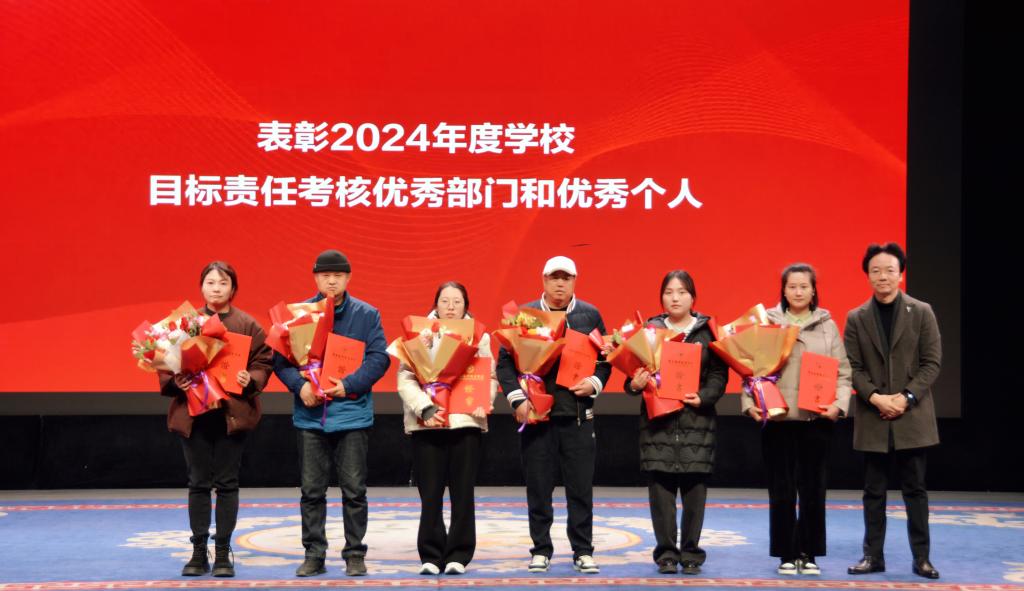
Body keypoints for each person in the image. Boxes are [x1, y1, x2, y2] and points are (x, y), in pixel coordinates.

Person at [272, 249, 391, 577]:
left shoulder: (367, 314)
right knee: (311, 491)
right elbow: (280, 360)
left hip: (351, 414)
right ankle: (314, 554)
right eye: (325, 275)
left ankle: (355, 553)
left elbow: (379, 358)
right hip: (311, 416)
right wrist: (300, 387)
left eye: (338, 275)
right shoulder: (298, 315)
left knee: (354, 491)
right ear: (315, 278)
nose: (332, 281)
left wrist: (348, 384)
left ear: (348, 278)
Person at [496, 256, 611, 574]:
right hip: (537, 417)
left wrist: (595, 383)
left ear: (575, 281)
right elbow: (505, 362)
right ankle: (541, 549)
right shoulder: (525, 316)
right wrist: (517, 400)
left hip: (577, 416)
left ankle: (583, 551)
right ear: (544, 280)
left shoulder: (590, 315)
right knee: (538, 487)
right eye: (554, 277)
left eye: (566, 278)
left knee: (580, 488)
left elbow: (606, 358)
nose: (560, 283)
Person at [158, 261, 273, 578]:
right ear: (201, 287)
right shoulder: (184, 324)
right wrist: (177, 380)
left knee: (227, 483)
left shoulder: (247, 324)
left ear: (233, 288)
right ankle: (198, 552)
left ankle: (223, 551)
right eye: (210, 282)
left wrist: (249, 378)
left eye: (223, 283)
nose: (216, 288)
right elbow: (166, 363)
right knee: (197, 483)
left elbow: (263, 362)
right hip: (194, 416)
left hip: (229, 415)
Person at [741, 263, 852, 576]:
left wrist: (839, 406)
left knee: (814, 490)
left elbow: (844, 373)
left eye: (804, 286)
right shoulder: (768, 323)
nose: (798, 292)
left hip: (816, 420)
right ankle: (786, 554)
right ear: (784, 290)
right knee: (782, 490)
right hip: (778, 419)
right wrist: (749, 404)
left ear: (814, 290)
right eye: (792, 286)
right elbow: (750, 368)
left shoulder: (828, 326)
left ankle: (810, 553)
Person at [844, 243, 942, 580]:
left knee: (915, 490)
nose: (882, 276)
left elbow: (931, 363)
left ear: (901, 274)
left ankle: (922, 559)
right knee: (873, 492)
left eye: (889, 270)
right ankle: (872, 556)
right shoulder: (856, 317)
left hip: (911, 416)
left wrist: (906, 397)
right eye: (875, 271)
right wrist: (876, 398)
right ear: (867, 275)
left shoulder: (922, 311)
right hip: (873, 415)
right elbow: (852, 367)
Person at [623, 270, 728, 575]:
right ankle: (666, 554)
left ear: (693, 297)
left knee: (695, 493)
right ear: (661, 297)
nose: (675, 298)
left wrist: (704, 397)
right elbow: (631, 378)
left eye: (682, 292)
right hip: (658, 425)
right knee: (661, 494)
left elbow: (719, 375)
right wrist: (634, 384)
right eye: (669, 292)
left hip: (697, 422)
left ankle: (691, 553)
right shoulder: (649, 332)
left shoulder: (709, 332)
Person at [396, 281, 499, 576]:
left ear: (466, 305)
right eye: (445, 301)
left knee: (463, 493)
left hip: (465, 423)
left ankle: (458, 555)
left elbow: (489, 376)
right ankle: (430, 554)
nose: (451, 307)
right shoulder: (418, 334)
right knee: (430, 494)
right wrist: (424, 408)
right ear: (436, 304)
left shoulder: (479, 336)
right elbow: (405, 378)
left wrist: (484, 401)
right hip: (427, 423)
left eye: (457, 301)